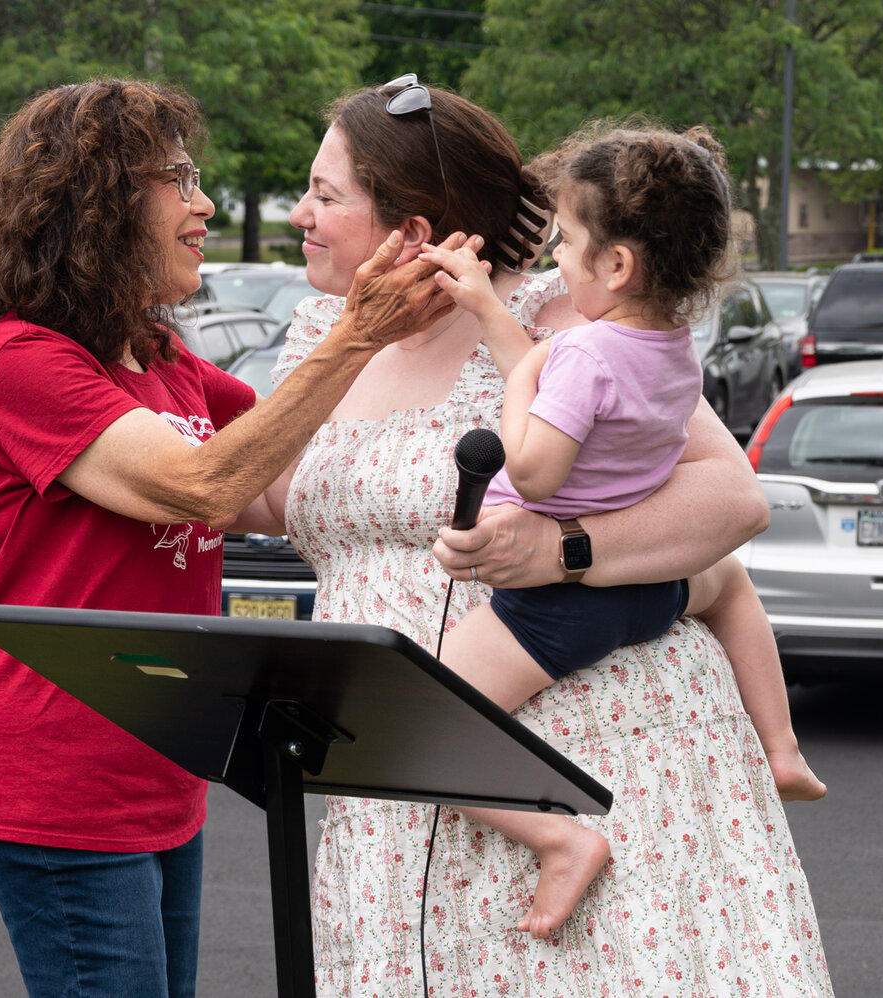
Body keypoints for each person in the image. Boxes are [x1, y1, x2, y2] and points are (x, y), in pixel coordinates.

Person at [264, 78, 834, 994]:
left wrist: (567, 550)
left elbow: (732, 499)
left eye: (327, 195)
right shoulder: (318, 335)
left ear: (416, 226)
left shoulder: (567, 320)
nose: (301, 213)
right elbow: (268, 498)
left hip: (584, 744)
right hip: (402, 772)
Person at [0, 78, 454, 998]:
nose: (206, 203)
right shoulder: (23, 358)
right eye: (180, 179)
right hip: (52, 767)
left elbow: (296, 476)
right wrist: (356, 334)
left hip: (154, 761)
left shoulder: (162, 361)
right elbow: (203, 487)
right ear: (101, 204)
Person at [416, 119, 826, 938]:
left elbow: (534, 470)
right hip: (656, 587)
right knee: (733, 584)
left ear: (616, 263)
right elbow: (559, 381)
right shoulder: (670, 347)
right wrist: (494, 315)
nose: (556, 260)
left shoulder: (580, 355)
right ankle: (780, 745)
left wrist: (518, 389)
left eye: (566, 242)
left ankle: (560, 842)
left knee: (420, 726)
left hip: (559, 607)